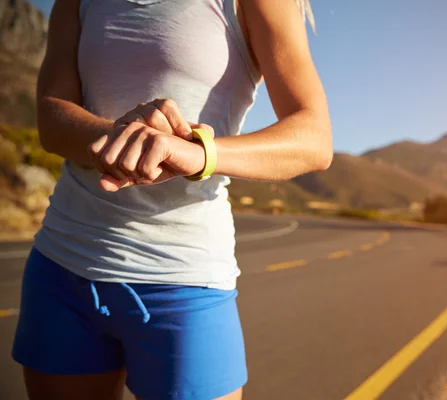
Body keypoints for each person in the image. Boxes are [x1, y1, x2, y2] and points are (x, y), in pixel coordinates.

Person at [11, 0, 332, 398]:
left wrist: (198, 152)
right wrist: (120, 136)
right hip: (62, 264)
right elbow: (51, 117)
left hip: (184, 281)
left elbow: (314, 139)